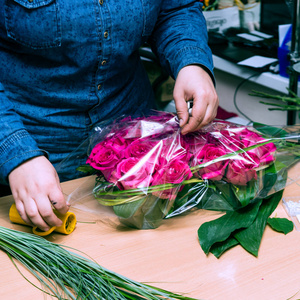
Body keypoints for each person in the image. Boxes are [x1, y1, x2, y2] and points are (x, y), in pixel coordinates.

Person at [0, 0, 218, 231]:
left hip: (136, 148)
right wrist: (16, 153)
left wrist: (191, 62)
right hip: (30, 152)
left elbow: (175, 9)